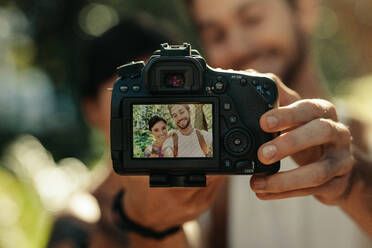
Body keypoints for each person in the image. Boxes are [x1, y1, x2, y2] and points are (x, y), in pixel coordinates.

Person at [184, 0, 372, 247]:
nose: (238, 47)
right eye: (216, 35)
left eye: (252, 19)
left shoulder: (366, 136)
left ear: (305, 10)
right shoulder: (210, 169)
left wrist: (353, 184)